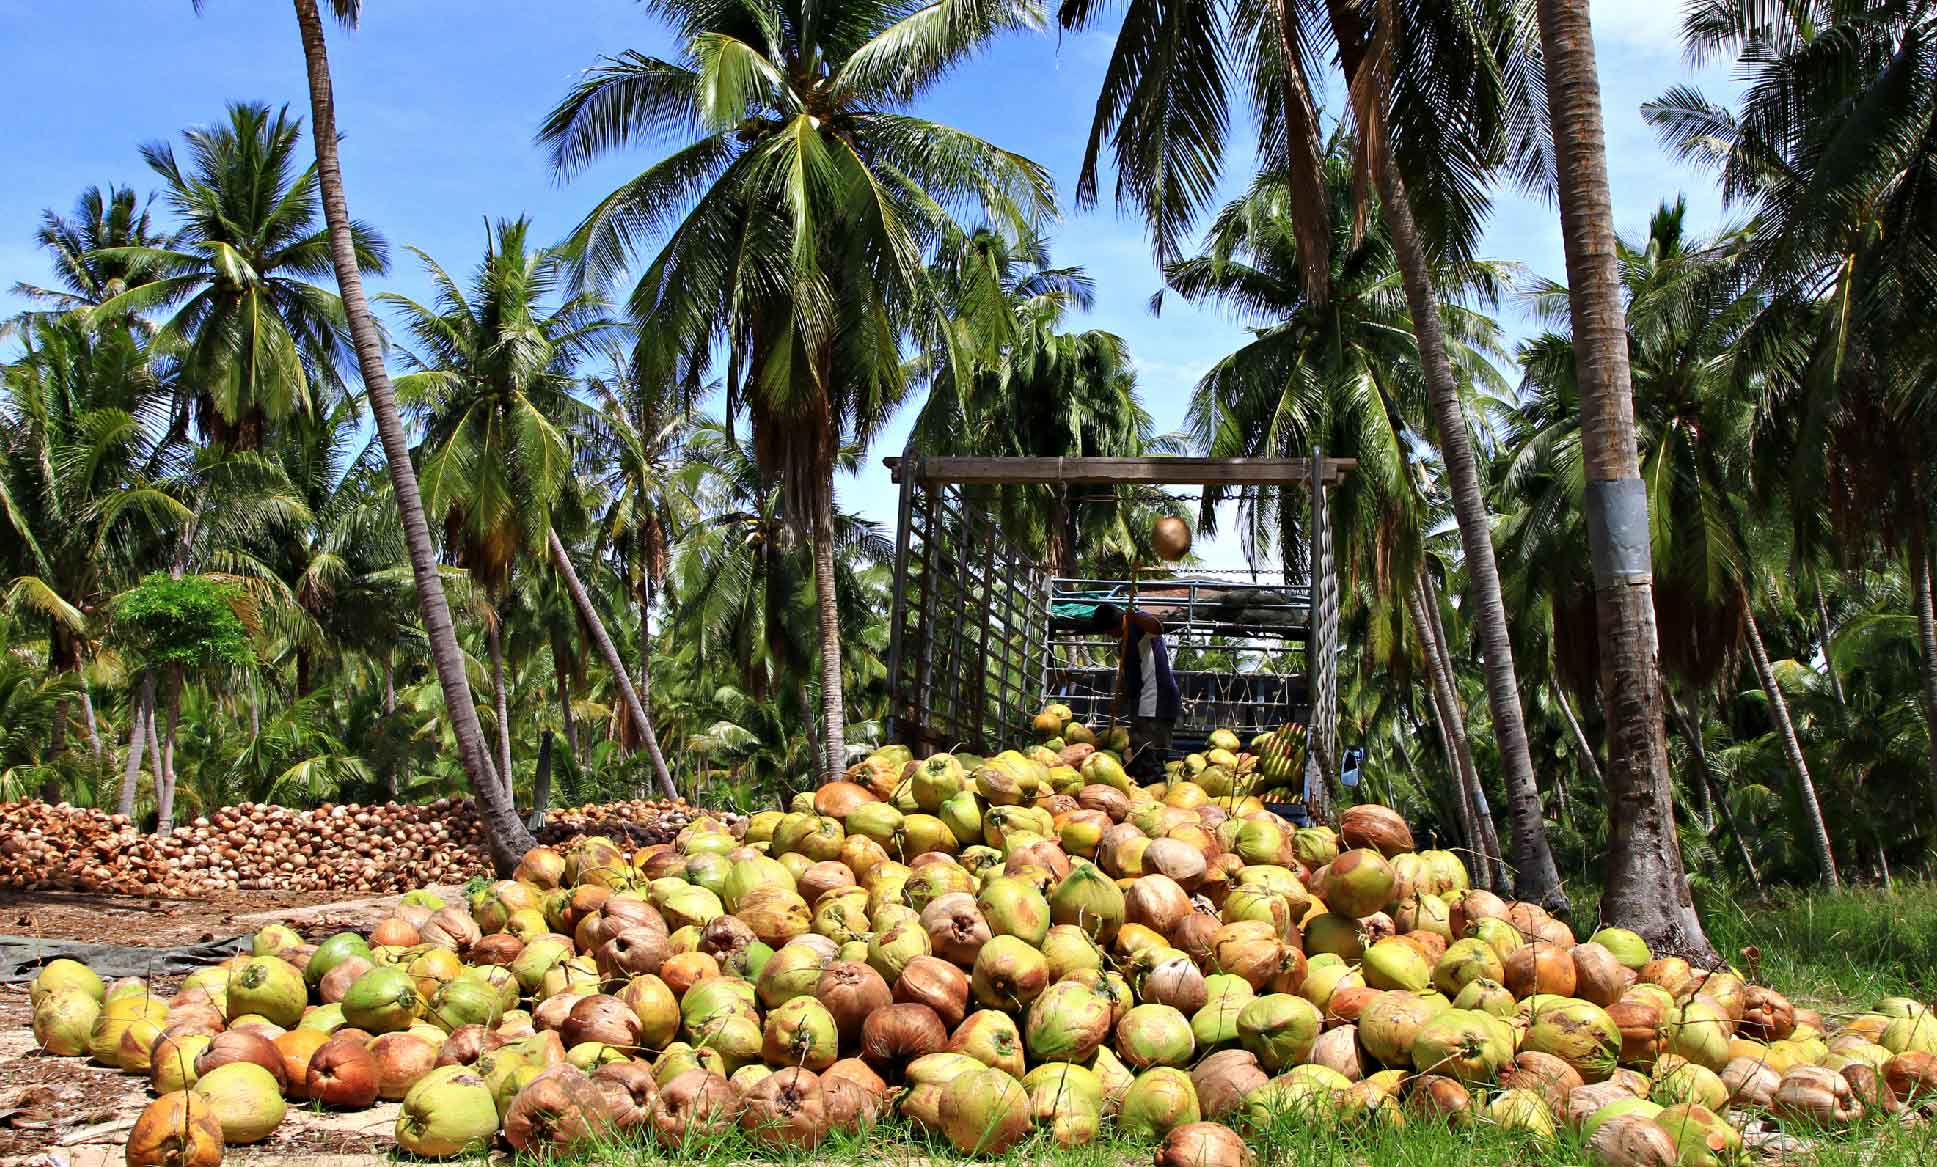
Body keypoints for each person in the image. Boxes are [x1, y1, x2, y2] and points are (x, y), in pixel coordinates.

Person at [1089, 601, 1181, 779]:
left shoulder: (1139, 627)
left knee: (1151, 753)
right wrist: (1120, 699)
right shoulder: (1122, 645)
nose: (1109, 635)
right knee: (1141, 751)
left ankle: (1154, 790)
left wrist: (1135, 616)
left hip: (1156, 698)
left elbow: (1157, 627)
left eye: (1107, 631)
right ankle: (1147, 785)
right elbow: (1127, 678)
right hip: (1142, 702)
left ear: (1112, 626)